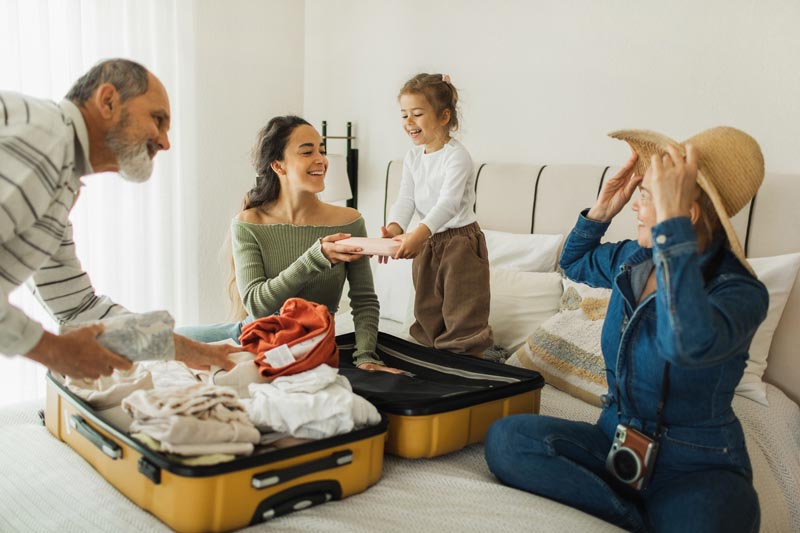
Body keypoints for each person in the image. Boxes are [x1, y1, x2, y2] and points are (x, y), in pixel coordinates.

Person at [484, 126, 768, 532]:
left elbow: (683, 343)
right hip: (614, 440)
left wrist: (672, 235)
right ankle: (634, 518)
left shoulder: (740, 291)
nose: (636, 205)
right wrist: (602, 210)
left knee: (725, 517)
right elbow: (575, 263)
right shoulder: (637, 259)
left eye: (648, 195)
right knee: (508, 440)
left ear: (684, 215)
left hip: (696, 466)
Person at [0, 58, 237, 380]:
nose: (165, 142)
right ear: (108, 101)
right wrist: (54, 351)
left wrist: (193, 351)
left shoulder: (59, 178)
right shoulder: (45, 138)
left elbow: (78, 309)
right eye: (158, 119)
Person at [177, 116, 402, 374]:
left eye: (322, 150)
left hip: (312, 341)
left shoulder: (349, 221)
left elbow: (364, 300)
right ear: (278, 165)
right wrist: (317, 257)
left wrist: (365, 356)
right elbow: (256, 306)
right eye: (307, 152)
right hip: (255, 335)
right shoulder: (249, 223)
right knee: (168, 344)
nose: (321, 159)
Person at [381, 73, 496, 359]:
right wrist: (395, 228)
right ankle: (431, 358)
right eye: (404, 114)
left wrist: (418, 234)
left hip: (460, 244)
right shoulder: (413, 157)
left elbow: (448, 204)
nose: (409, 122)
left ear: (444, 116)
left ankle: (467, 361)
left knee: (462, 307)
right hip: (428, 242)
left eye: (417, 114)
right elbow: (406, 197)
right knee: (427, 306)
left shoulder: (456, 156)